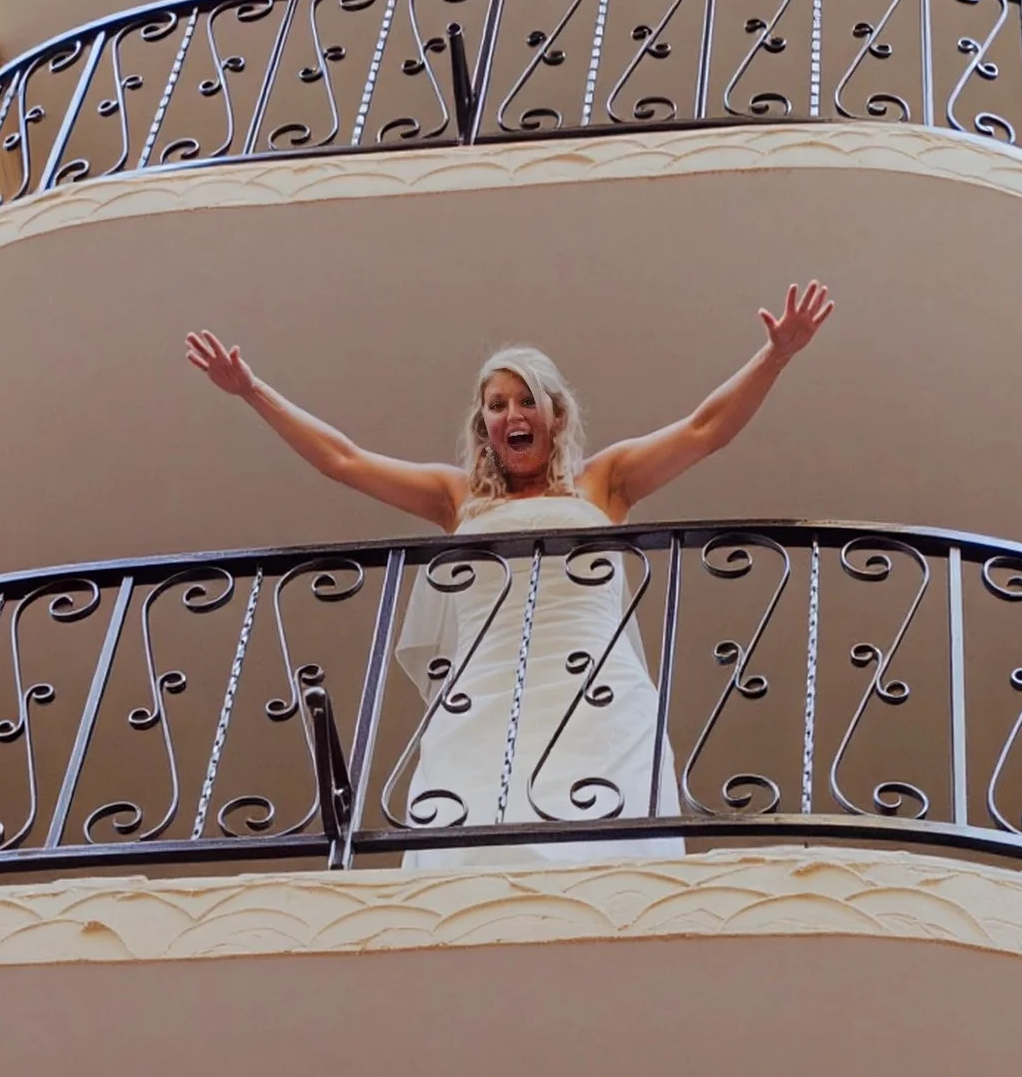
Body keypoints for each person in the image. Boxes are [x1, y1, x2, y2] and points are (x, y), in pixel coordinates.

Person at [185, 291, 833, 847]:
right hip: (485, 697)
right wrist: (251, 391)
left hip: (597, 692)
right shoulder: (457, 495)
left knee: (606, 841)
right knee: (471, 843)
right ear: (484, 422)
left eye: (525, 400)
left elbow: (704, 428)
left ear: (555, 412)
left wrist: (776, 354)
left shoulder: (604, 481)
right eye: (497, 404)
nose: (512, 414)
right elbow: (344, 460)